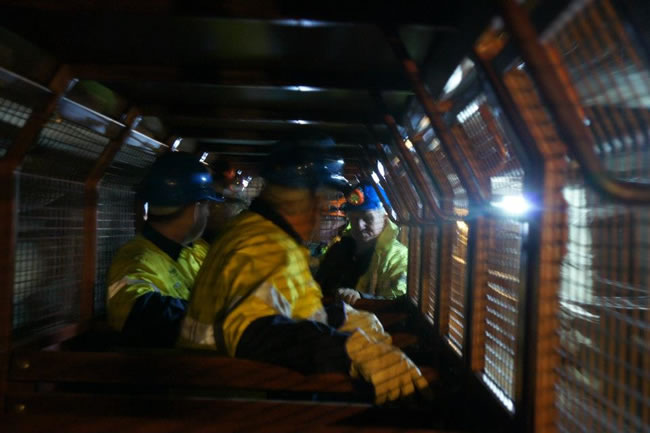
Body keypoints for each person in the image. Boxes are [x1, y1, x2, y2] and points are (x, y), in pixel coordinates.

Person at [179, 136, 428, 404]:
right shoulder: (263, 246)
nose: (325, 207)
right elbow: (253, 332)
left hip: (229, 394)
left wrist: (337, 316)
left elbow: (282, 311)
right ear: (308, 194)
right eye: (325, 195)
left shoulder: (260, 234)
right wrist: (351, 349)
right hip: (239, 402)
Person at [106, 152, 223, 347]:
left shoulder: (197, 249)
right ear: (194, 207)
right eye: (206, 205)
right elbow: (135, 310)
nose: (208, 213)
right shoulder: (135, 258)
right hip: (169, 370)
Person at [316, 181, 408, 306]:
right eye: (353, 218)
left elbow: (399, 304)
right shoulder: (339, 248)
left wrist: (361, 298)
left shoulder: (398, 257)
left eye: (367, 218)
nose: (359, 226)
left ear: (385, 217)